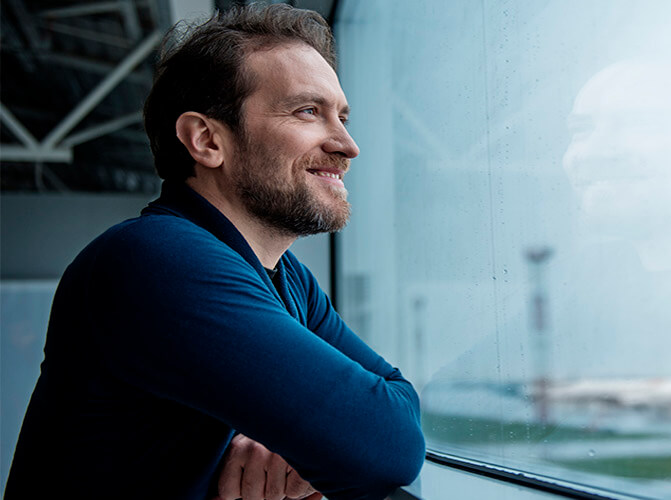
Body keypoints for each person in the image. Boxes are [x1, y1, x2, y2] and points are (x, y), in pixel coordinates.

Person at [4, 5, 422, 500]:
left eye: (342, 116)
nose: (348, 145)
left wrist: (291, 446)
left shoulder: (289, 280)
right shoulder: (155, 259)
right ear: (206, 140)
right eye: (308, 111)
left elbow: (399, 403)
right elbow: (389, 444)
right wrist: (319, 445)